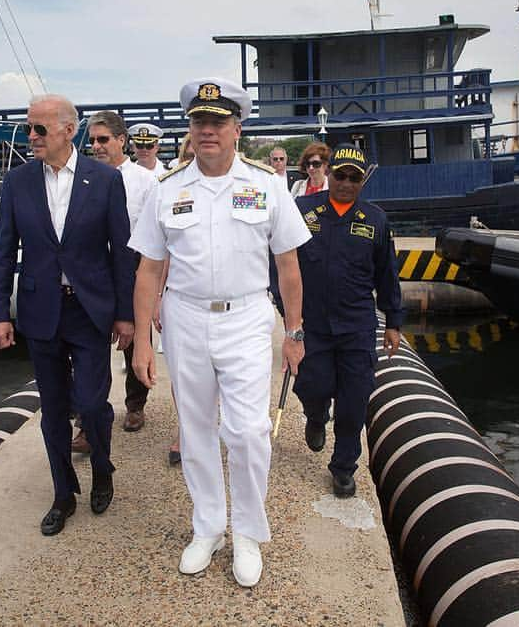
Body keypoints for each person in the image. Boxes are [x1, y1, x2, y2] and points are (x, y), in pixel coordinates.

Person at [130, 77, 311, 588]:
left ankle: (249, 533)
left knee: (249, 429)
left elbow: (289, 265)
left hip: (248, 315)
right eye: (199, 122)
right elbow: (148, 270)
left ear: (236, 128)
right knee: (195, 427)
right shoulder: (167, 190)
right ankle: (207, 526)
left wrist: (294, 332)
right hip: (185, 316)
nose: (207, 130)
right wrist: (143, 340)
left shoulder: (267, 185)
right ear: (189, 129)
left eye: (218, 122)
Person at [0, 95, 135, 537]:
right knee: (52, 411)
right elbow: (3, 254)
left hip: (89, 309)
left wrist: (126, 315)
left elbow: (122, 252)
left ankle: (103, 468)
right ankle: (62, 493)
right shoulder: (17, 182)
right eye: (29, 128)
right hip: (40, 310)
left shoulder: (104, 180)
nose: (30, 137)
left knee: (91, 403)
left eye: (39, 129)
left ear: (68, 130)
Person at [292, 143, 403, 498]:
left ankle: (343, 467)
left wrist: (394, 322)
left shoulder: (375, 219)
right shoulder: (304, 210)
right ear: (329, 174)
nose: (345, 183)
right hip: (313, 325)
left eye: (354, 178)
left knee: (355, 400)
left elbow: (387, 275)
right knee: (313, 386)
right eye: (340, 175)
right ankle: (314, 415)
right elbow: (281, 262)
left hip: (356, 326)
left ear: (362, 182)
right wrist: (286, 310)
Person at [86, 111, 155, 433]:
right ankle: (90, 417)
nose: (97, 147)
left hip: (133, 270)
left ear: (121, 140)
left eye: (103, 139)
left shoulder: (144, 181)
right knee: (90, 349)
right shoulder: (81, 180)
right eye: (92, 141)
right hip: (94, 274)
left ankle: (135, 405)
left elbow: (154, 235)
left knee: (135, 343)